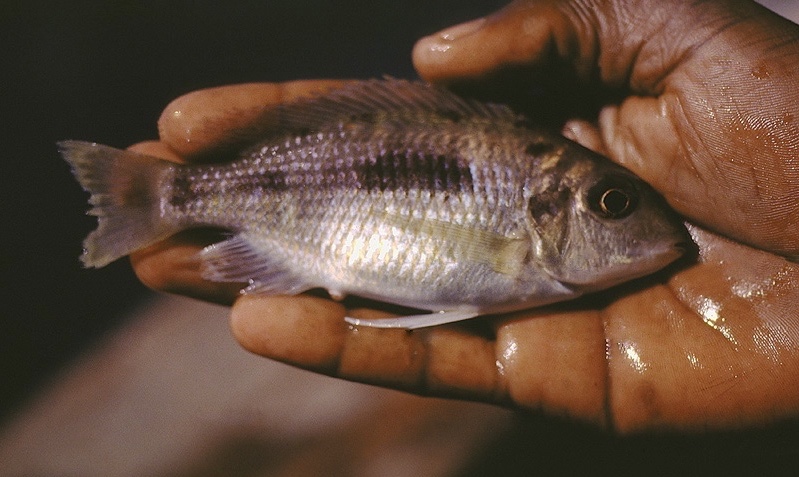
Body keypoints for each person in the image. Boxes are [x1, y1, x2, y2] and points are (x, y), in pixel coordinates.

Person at [127, 0, 799, 433]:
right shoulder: (523, 231)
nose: (634, 220)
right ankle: (161, 197)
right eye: (610, 203)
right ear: (546, 210)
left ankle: (164, 197)